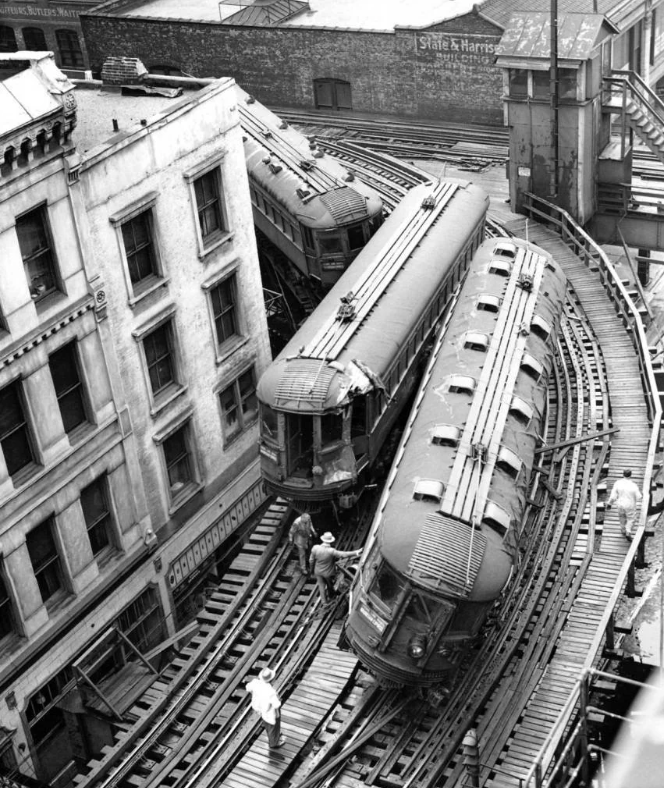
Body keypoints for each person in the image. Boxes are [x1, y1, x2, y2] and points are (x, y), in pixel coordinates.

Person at [309, 532, 362, 603]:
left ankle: (324, 602)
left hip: (318, 571)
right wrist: (356, 552)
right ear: (330, 541)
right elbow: (343, 554)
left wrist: (311, 570)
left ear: (323, 540)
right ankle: (331, 596)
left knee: (321, 585)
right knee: (329, 585)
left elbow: (311, 560)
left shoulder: (315, 548)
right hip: (328, 573)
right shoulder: (331, 551)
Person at [245, 667, 286, 749]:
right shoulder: (270, 691)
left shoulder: (255, 683)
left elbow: (247, 687)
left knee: (267, 725)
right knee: (273, 726)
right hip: (270, 712)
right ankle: (274, 743)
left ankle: (273, 737)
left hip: (260, 709)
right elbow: (276, 704)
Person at [607, 469, 643, 540]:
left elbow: (613, 495)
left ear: (623, 474)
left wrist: (610, 503)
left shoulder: (617, 483)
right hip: (630, 505)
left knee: (622, 517)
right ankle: (628, 531)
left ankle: (623, 530)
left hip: (620, 504)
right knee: (631, 519)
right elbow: (639, 497)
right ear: (630, 475)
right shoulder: (634, 485)